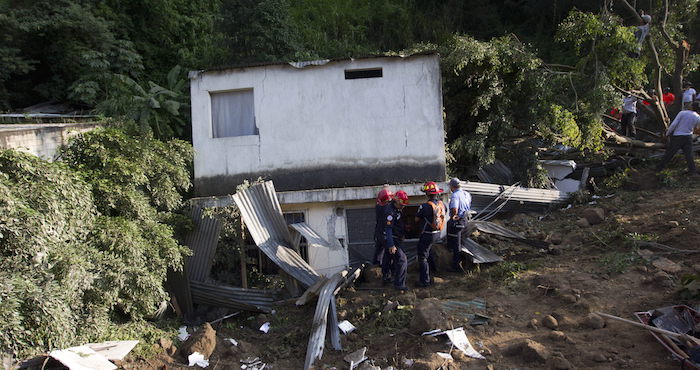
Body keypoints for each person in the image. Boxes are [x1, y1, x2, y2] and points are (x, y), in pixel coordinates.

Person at [414, 181, 447, 287]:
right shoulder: (443, 204)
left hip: (427, 234)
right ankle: (434, 270)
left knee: (422, 256)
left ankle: (425, 281)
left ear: (427, 194)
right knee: (428, 251)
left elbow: (416, 219)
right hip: (438, 233)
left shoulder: (424, 206)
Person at [656, 102, 700, 175]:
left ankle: (658, 168)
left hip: (678, 136)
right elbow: (697, 127)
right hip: (688, 137)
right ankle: (692, 171)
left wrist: (667, 134)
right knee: (689, 155)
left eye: (690, 104)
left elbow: (673, 125)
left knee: (669, 153)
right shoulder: (697, 117)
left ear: (692, 107)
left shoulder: (682, 113)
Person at [382, 190, 409, 291]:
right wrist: (391, 245)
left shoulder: (396, 210)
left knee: (387, 258)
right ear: (396, 201)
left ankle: (386, 277)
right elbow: (388, 229)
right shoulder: (390, 211)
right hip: (392, 239)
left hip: (395, 237)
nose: (403, 206)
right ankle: (399, 284)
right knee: (402, 260)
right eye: (401, 204)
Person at [446, 178, 471, 272]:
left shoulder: (455, 195)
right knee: (461, 241)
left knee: (456, 244)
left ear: (452, 186)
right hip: (465, 219)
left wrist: (453, 218)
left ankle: (456, 266)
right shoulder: (466, 194)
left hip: (458, 220)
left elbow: (454, 209)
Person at [373, 187, 392, 277]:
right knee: (388, 253)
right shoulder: (387, 208)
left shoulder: (378, 206)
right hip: (385, 232)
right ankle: (387, 272)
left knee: (378, 250)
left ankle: (375, 265)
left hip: (378, 232)